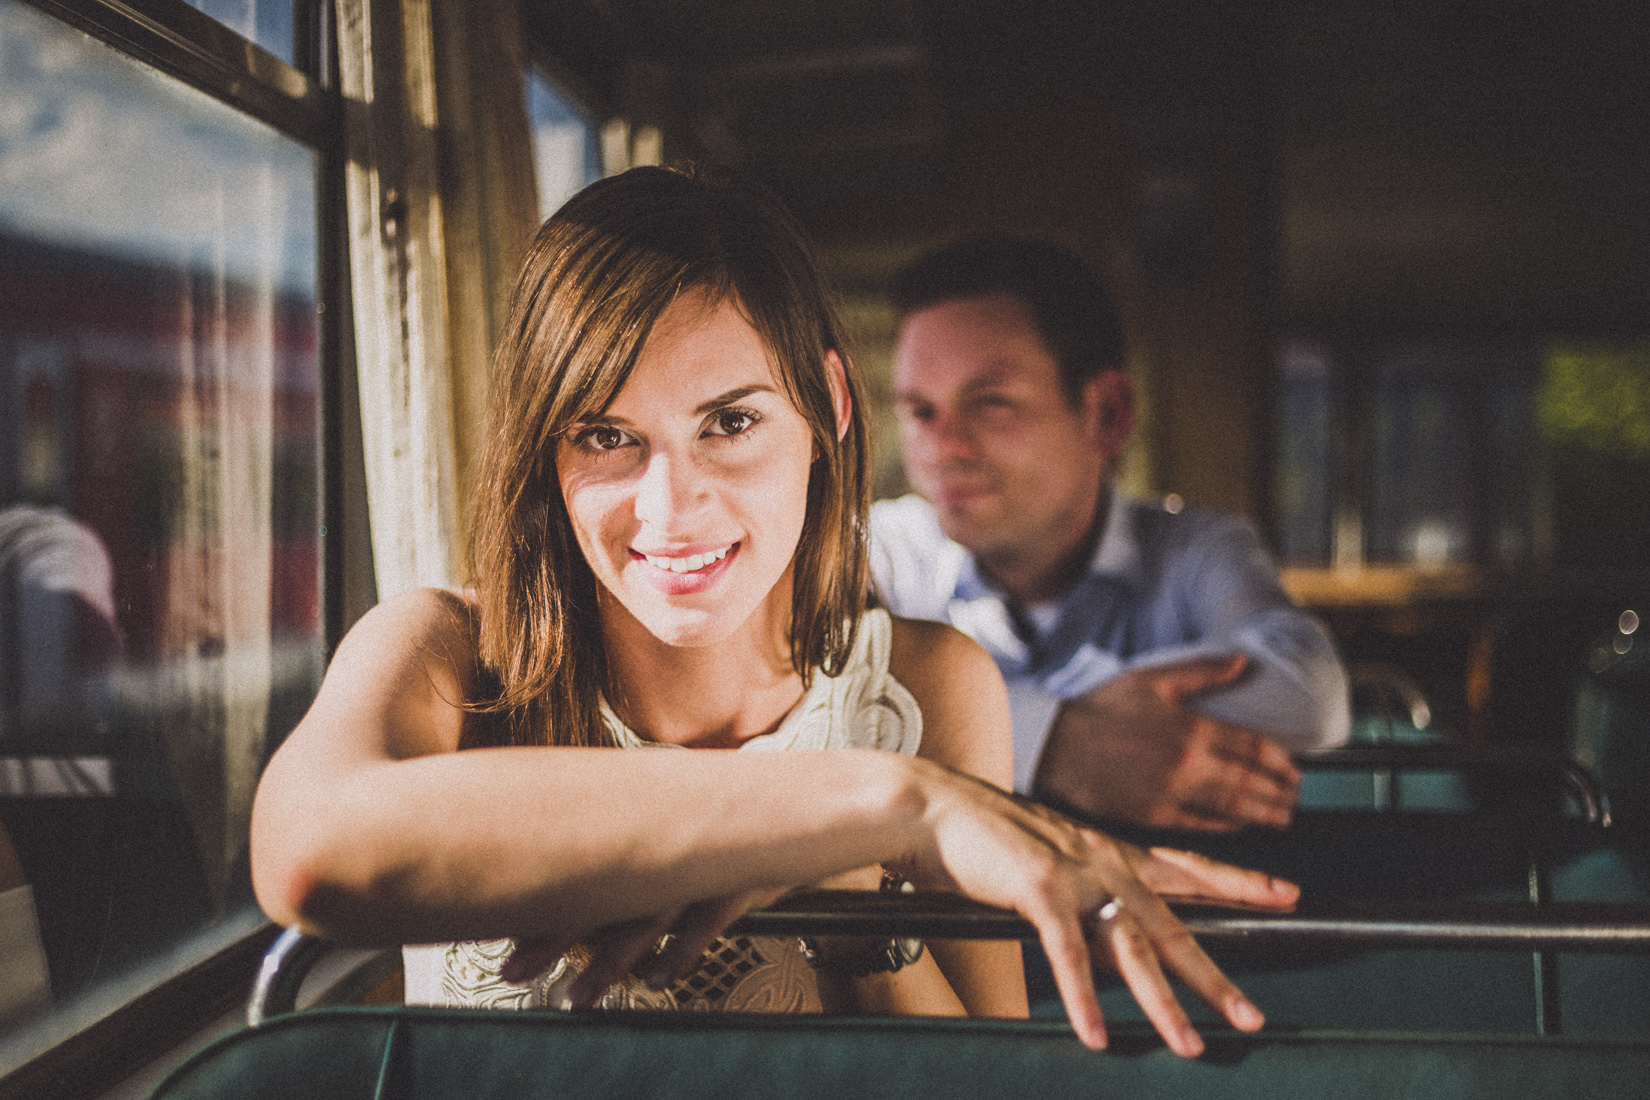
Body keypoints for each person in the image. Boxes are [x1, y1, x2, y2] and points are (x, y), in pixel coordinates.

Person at [250, 167, 1299, 1058]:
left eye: (732, 421)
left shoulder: (927, 687)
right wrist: (868, 805)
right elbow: (309, 849)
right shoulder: (448, 656)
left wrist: (852, 897)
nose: (669, 505)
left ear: (829, 411)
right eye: (606, 435)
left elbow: (985, 1076)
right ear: (545, 450)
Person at [871, 237, 1350, 833]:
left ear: (1107, 413)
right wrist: (1052, 736)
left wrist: (960, 715)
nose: (943, 449)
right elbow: (799, 691)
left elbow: (1312, 693)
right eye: (920, 411)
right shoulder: (888, 549)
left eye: (991, 401)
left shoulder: (1196, 547)